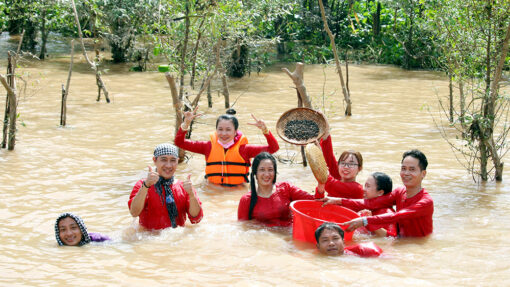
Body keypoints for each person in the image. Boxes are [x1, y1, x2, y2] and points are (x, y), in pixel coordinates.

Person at [320, 149, 434, 238]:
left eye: (412, 169)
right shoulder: (400, 192)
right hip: (400, 239)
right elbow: (372, 203)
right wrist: (338, 201)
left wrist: (365, 221)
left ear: (423, 174)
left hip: (417, 245)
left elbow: (396, 216)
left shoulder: (426, 202)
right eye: (403, 168)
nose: (406, 173)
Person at [174, 107, 279, 187]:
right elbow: (179, 142)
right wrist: (185, 124)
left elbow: (273, 148)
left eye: (228, 130)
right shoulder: (207, 146)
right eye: (220, 129)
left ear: (235, 132)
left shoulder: (245, 149)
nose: (223, 133)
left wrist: (265, 130)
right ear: (216, 130)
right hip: (212, 190)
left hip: (237, 190)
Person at [128, 143, 203, 230]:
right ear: (154, 160)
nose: (168, 165)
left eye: (173, 160)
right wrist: (145, 186)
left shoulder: (185, 187)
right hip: (149, 239)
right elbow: (134, 213)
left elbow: (196, 219)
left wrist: (191, 195)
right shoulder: (142, 185)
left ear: (177, 161)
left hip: (176, 238)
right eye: (164, 160)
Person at [237, 152, 322, 227]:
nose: (266, 174)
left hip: (289, 239)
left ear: (275, 172)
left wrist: (321, 185)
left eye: (270, 170)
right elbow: (243, 228)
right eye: (262, 170)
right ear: (255, 172)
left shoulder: (286, 188)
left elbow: (314, 202)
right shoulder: (246, 200)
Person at [316, 117, 364, 199]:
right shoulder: (338, 177)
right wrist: (326, 129)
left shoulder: (357, 189)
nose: (346, 167)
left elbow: (329, 184)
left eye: (351, 164)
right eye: (343, 163)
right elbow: (329, 156)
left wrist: (318, 157)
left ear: (359, 168)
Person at [357, 172, 397, 237]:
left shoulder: (387, 213)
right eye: (365, 186)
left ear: (380, 192)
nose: (364, 189)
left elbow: (391, 238)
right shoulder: (368, 208)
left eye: (368, 186)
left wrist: (368, 221)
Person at [315, 222, 382, 257]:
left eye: (335, 238)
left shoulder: (364, 251)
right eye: (325, 240)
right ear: (318, 246)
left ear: (344, 242)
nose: (331, 243)